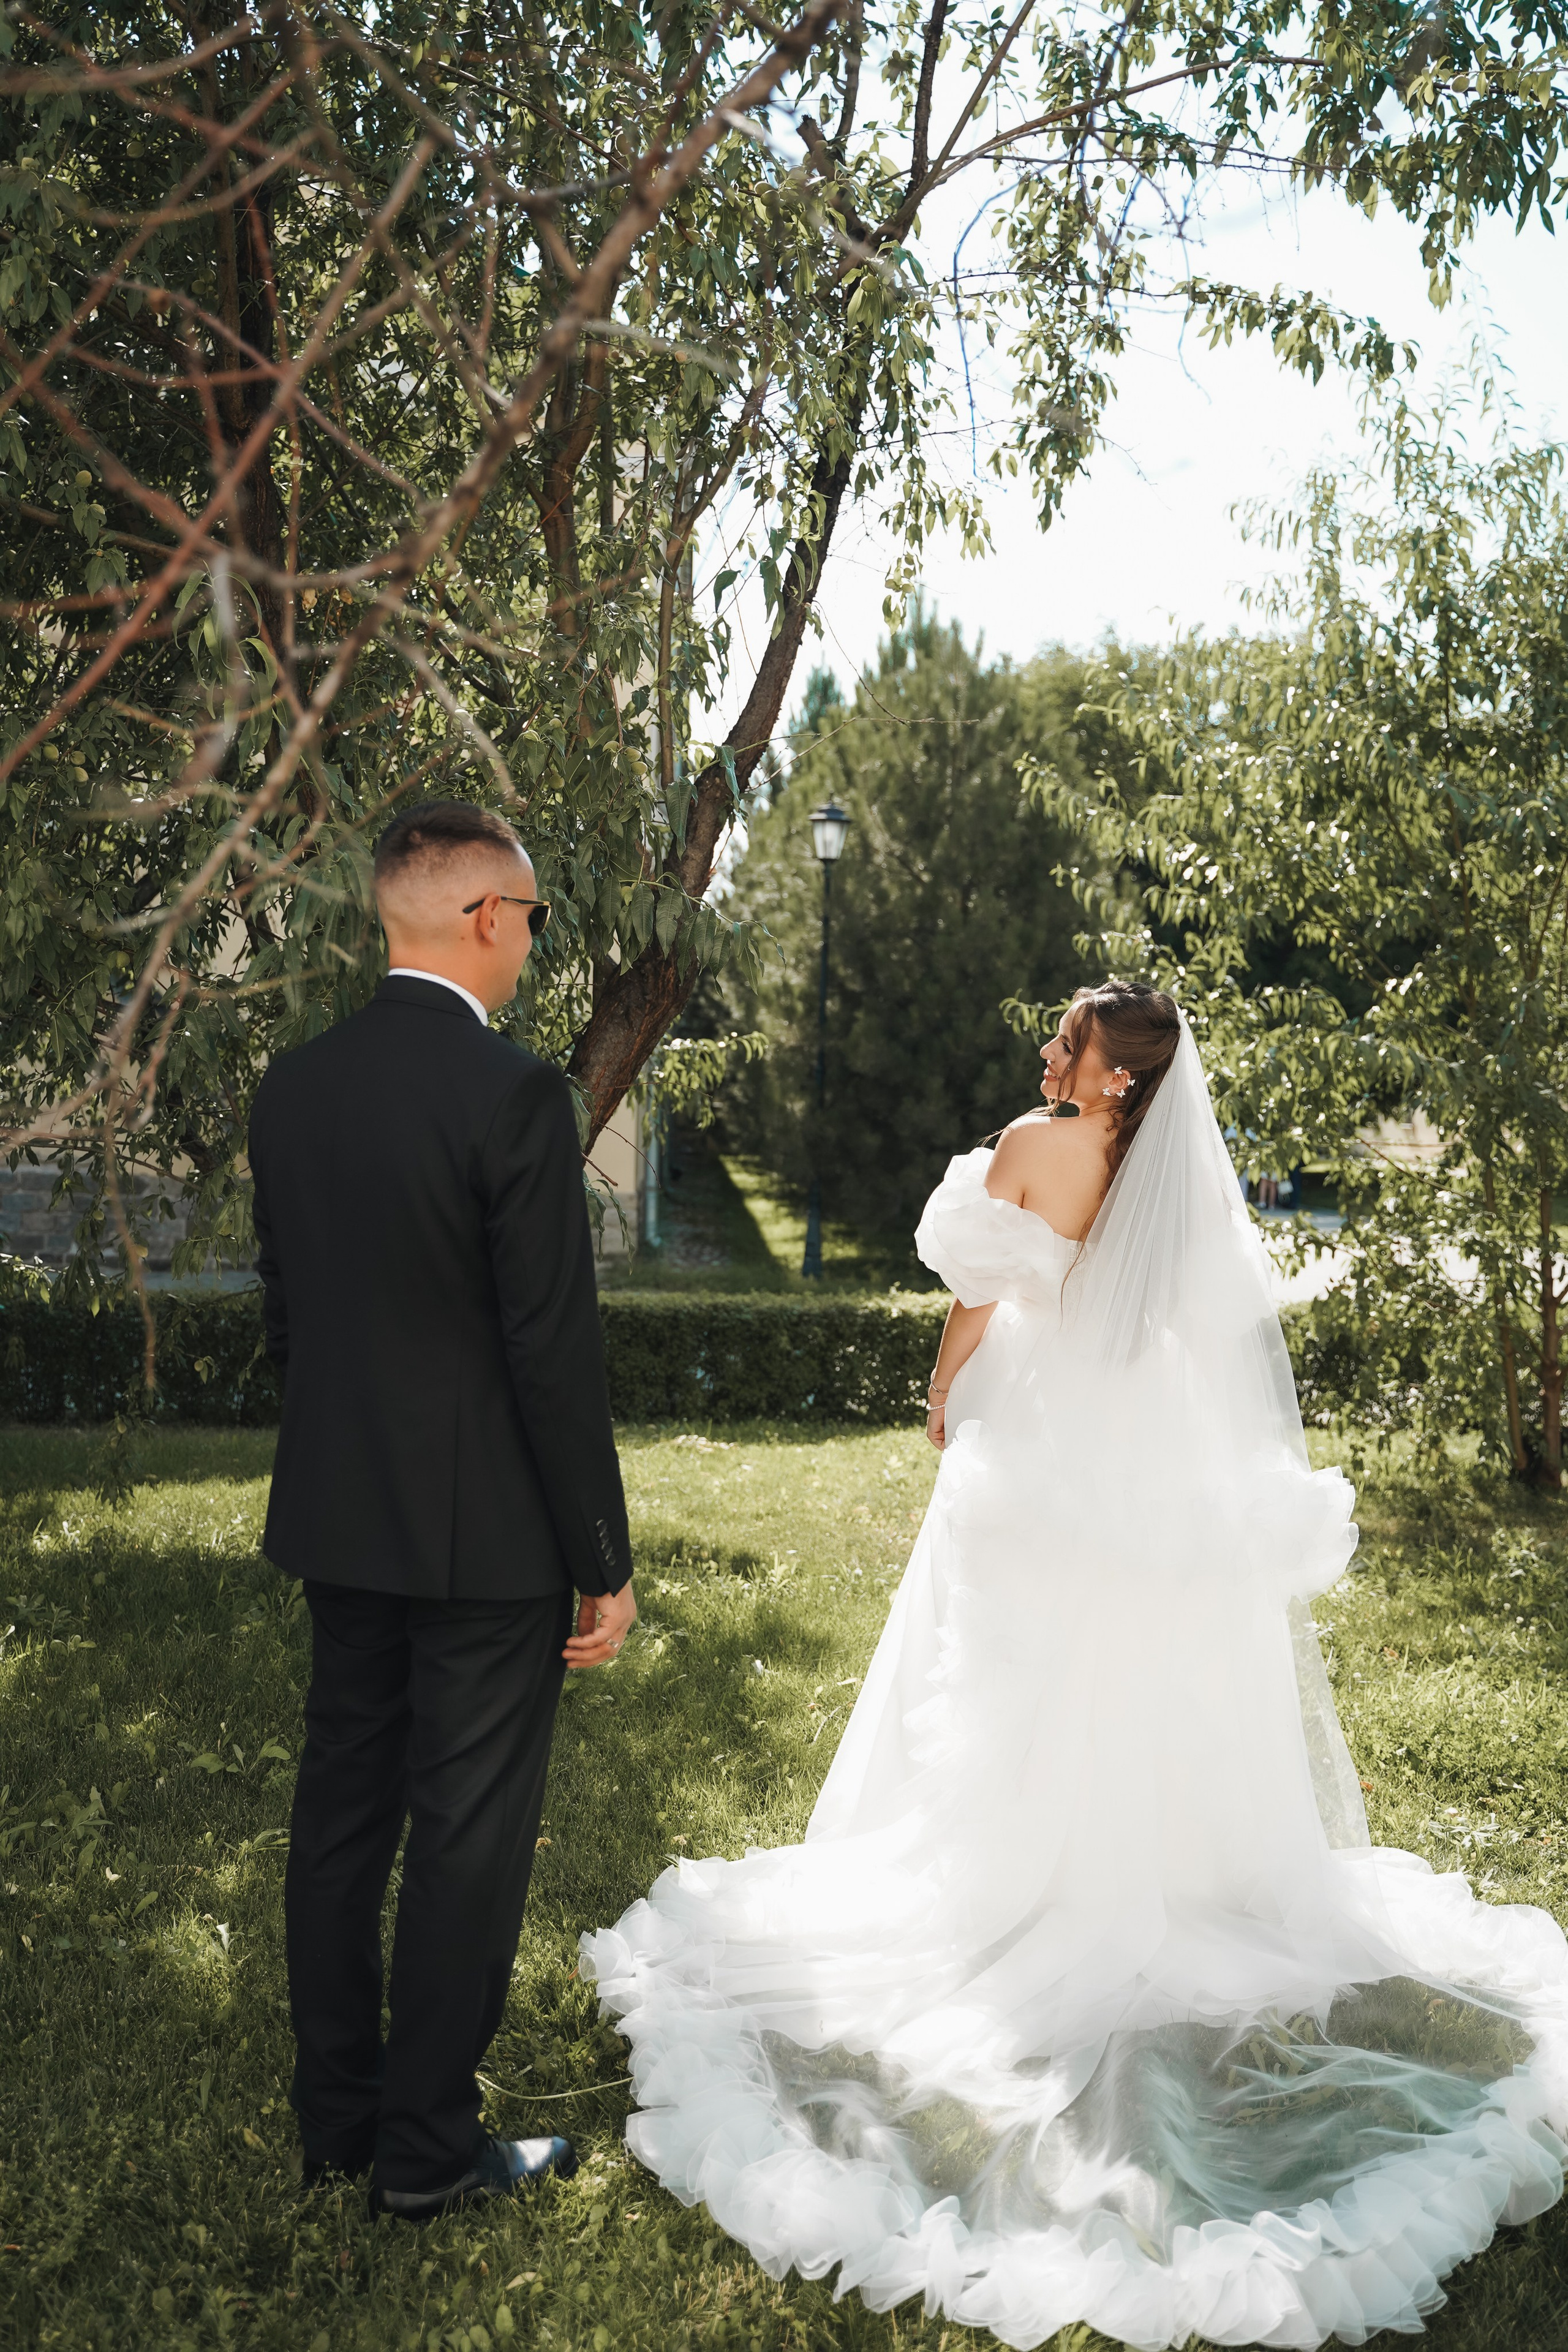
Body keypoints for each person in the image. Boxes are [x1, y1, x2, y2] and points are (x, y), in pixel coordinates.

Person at [584, 979, 1568, 2350]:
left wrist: (939, 1395)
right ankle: (1160, 1866)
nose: (1049, 1052)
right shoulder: (1166, 1178)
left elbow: (979, 1300)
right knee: (1133, 1654)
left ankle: (1015, 1871)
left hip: (1045, 1440)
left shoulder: (1037, 1143)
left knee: (1014, 1658)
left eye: (1071, 1042)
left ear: (1113, 1078)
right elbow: (1185, 1328)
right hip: (1144, 1438)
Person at [249, 798, 637, 2220]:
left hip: (340, 1522)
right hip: (489, 1550)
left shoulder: (293, 1086)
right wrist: (600, 1558)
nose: (530, 945)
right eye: (530, 918)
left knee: (341, 1817)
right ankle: (423, 2158)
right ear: (485, 918)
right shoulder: (516, 1096)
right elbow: (549, 1350)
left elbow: (291, 1319)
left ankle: (336, 2129)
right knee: (464, 1837)